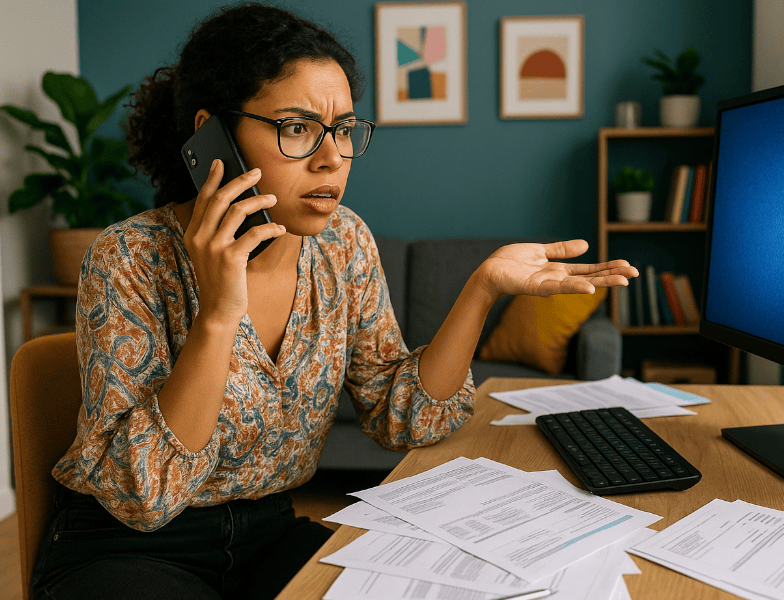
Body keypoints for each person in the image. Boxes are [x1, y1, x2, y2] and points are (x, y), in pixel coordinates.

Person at [29, 3, 639, 599]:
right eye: (296, 128)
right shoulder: (128, 257)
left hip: (267, 536)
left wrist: (481, 290)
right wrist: (218, 314)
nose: (332, 158)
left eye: (343, 129)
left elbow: (404, 415)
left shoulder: (343, 241)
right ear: (211, 135)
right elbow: (143, 496)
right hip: (127, 545)